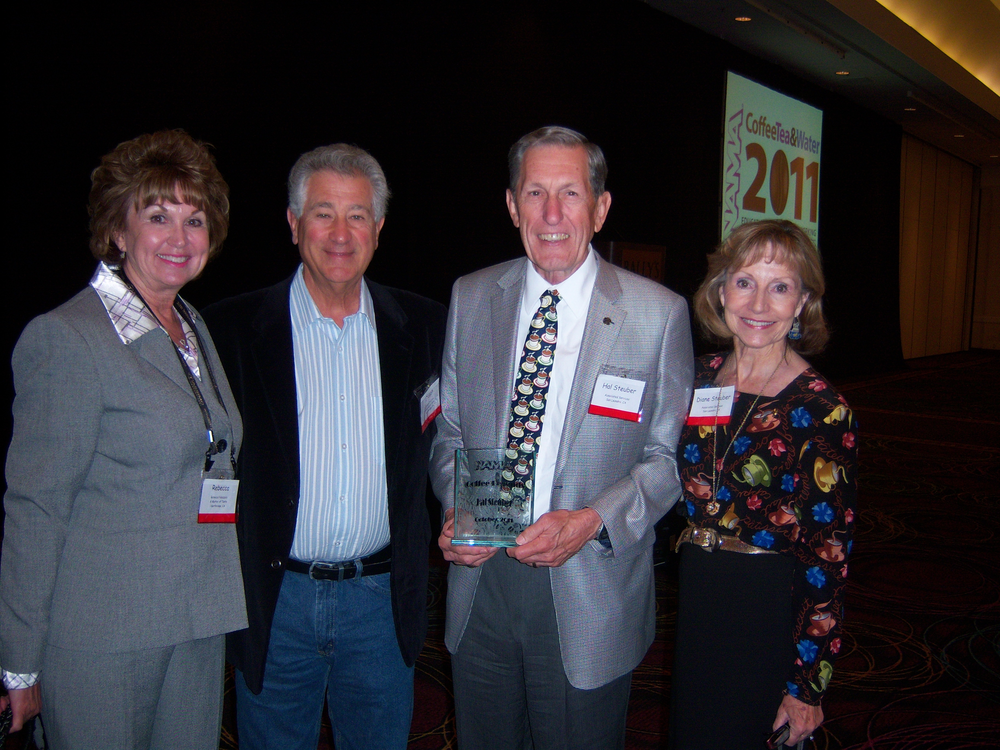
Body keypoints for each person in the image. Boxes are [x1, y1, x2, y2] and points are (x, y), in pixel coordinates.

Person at [429, 126, 694, 749]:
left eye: (570, 194)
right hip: (482, 584)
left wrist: (592, 520)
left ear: (600, 209)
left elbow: (666, 462)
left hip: (589, 584)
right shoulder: (471, 297)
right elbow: (450, 430)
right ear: (511, 204)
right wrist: (456, 505)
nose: (552, 215)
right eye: (535, 193)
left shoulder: (657, 313)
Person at [0, 130, 246, 749]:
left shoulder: (192, 323)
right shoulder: (67, 338)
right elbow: (35, 509)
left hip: (194, 619)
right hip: (103, 636)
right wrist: (19, 666)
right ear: (117, 228)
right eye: (157, 215)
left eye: (195, 220)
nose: (179, 238)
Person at [202, 143, 446, 749]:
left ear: (380, 228)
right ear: (292, 224)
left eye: (358, 215)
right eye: (323, 213)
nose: (341, 233)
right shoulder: (228, 331)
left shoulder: (428, 328)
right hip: (276, 600)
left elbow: (457, 443)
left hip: (381, 602)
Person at [669, 219, 858, 749]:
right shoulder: (695, 377)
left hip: (765, 607)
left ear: (802, 304)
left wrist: (807, 684)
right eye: (745, 281)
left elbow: (829, 555)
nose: (759, 303)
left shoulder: (822, 409)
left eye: (780, 287)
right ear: (720, 289)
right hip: (700, 593)